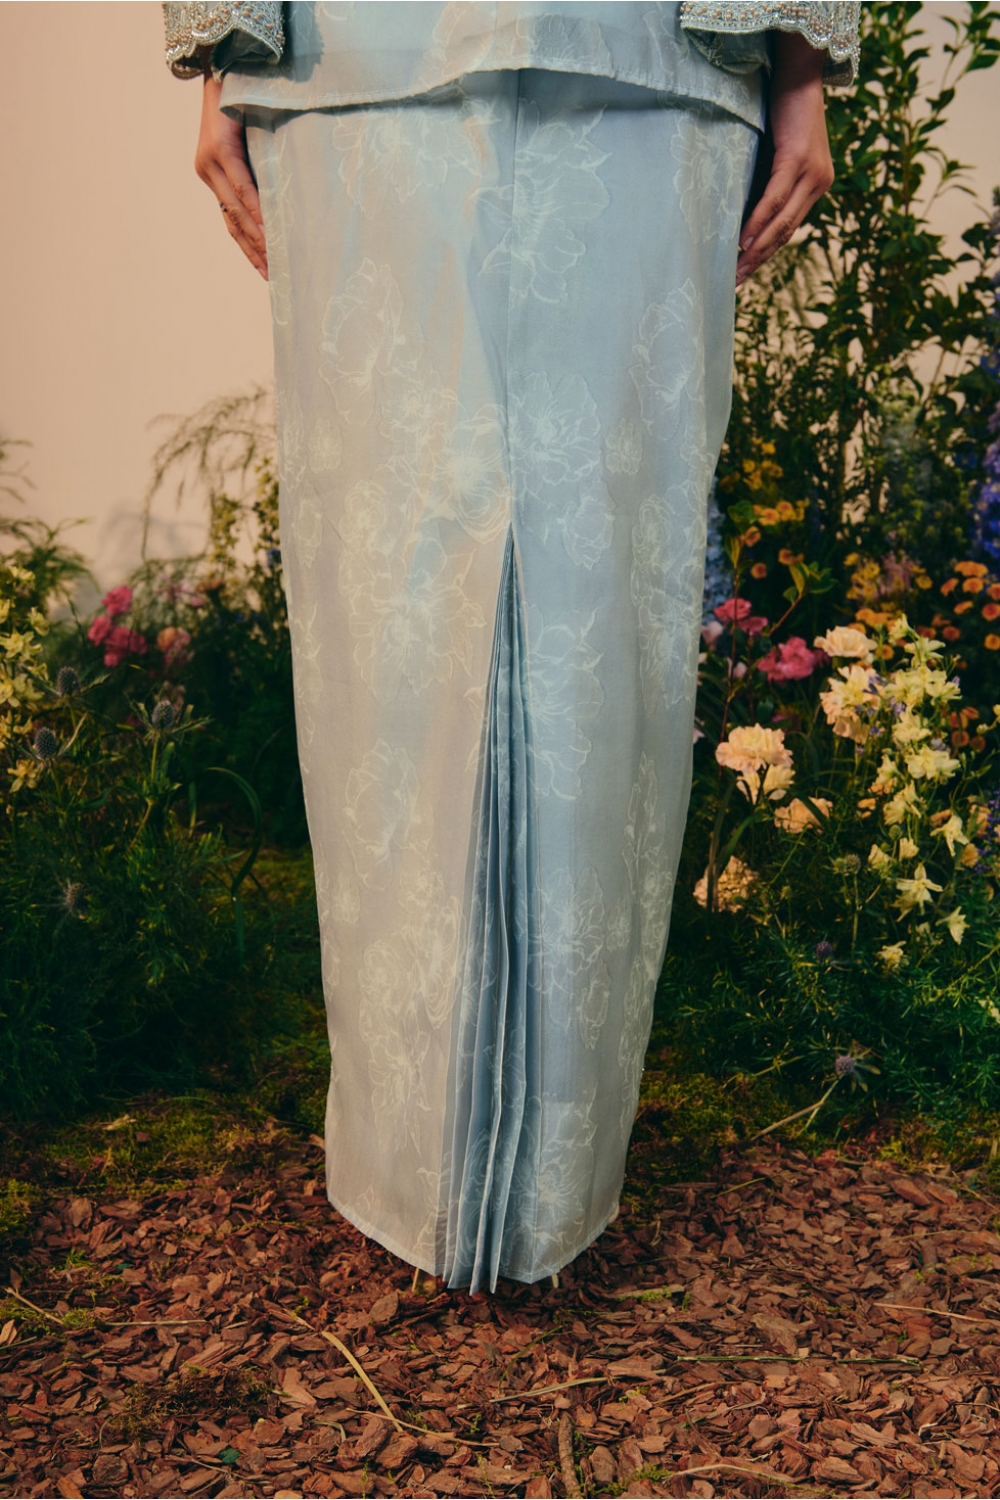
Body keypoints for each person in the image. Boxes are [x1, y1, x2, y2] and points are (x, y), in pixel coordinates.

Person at [162, 1, 860, 1294]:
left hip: (642, 60)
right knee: (382, 589)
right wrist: (218, 49)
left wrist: (803, 64)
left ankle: (552, 1177)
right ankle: (409, 1156)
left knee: (609, 579)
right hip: (355, 63)